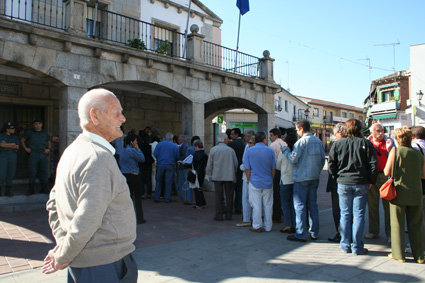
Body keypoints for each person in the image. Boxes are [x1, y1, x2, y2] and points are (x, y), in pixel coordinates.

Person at [42, 88, 138, 282]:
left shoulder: (73, 151)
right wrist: (63, 255)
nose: (123, 119)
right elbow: (87, 220)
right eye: (117, 113)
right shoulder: (98, 158)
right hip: (104, 265)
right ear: (95, 116)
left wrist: (63, 245)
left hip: (89, 263)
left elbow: (54, 203)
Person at [328, 119, 377, 255]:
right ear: (360, 129)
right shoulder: (366, 144)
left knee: (345, 214)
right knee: (359, 214)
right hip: (361, 182)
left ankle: (345, 244)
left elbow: (331, 163)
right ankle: (357, 246)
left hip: (343, 182)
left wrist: (337, 177)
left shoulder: (338, 144)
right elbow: (373, 164)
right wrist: (371, 181)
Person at [384, 126, 424, 263]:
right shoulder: (418, 153)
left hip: (399, 193)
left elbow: (386, 171)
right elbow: (423, 174)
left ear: (397, 139)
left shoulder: (395, 151)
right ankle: (419, 255)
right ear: (410, 138)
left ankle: (399, 254)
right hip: (416, 193)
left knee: (397, 224)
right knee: (417, 225)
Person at [282, 120, 325, 242]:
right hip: (314, 177)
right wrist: (317, 171)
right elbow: (322, 160)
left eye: (297, 129)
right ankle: (314, 232)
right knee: (312, 204)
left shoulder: (300, 143)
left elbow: (292, 159)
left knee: (300, 205)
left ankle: (301, 233)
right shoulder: (318, 141)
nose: (297, 132)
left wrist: (285, 151)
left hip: (301, 178)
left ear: (301, 129)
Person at [366, 123, 395, 241]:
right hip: (372, 176)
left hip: (385, 175)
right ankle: (374, 231)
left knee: (388, 206)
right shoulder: (367, 142)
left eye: (382, 130)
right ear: (372, 132)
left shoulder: (389, 142)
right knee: (372, 205)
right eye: (378, 130)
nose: (381, 133)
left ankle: (390, 233)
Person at [243, 131, 276, 232]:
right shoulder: (270, 151)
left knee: (256, 204)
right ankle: (268, 226)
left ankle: (257, 225)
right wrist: (272, 179)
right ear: (264, 139)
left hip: (254, 181)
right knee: (268, 204)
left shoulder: (249, 151)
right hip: (267, 181)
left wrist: (249, 180)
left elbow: (247, 168)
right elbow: (273, 168)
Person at [206, 133, 238, 221]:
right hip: (229, 176)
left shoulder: (213, 150)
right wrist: (233, 172)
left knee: (218, 196)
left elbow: (209, 165)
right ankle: (229, 215)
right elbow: (236, 164)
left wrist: (209, 174)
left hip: (217, 176)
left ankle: (219, 215)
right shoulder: (230, 150)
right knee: (229, 196)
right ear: (225, 140)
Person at [120, 133, 146, 224]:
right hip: (134, 175)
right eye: (135, 141)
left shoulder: (122, 151)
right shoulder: (132, 151)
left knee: (128, 197)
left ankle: (127, 217)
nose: (137, 142)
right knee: (137, 198)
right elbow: (142, 159)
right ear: (132, 142)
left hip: (125, 175)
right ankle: (139, 218)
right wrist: (137, 148)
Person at [21, 118, 51, 195]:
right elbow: (22, 140)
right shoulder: (30, 132)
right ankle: (31, 189)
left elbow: (49, 142)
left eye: (39, 123)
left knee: (43, 172)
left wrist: (48, 149)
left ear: (41, 124)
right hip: (33, 154)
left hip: (42, 154)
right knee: (32, 172)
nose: (37, 125)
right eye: (36, 124)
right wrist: (26, 148)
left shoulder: (45, 133)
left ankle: (44, 188)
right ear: (34, 125)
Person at [276, 129, 298, 234]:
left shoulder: (284, 151)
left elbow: (278, 165)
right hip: (296, 179)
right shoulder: (298, 149)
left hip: (285, 179)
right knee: (295, 204)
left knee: (286, 203)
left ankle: (289, 225)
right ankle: (297, 224)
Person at [327, 123, 344, 243]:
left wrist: (334, 175)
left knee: (338, 209)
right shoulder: (356, 142)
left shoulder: (337, 145)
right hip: (352, 182)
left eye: (334, 134)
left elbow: (331, 165)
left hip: (338, 182)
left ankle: (340, 232)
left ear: (339, 132)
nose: (333, 136)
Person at [153, 132, 179, 203]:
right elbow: (177, 156)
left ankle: (157, 197)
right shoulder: (174, 146)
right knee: (168, 182)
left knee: (158, 181)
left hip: (160, 164)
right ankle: (167, 198)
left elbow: (155, 154)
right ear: (172, 138)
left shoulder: (159, 144)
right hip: (170, 165)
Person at [236, 133, 255, 227]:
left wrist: (241, 167)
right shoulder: (248, 147)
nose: (249, 143)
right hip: (256, 178)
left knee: (247, 198)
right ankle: (253, 219)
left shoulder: (249, 149)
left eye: (251, 142)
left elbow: (246, 165)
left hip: (249, 177)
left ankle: (248, 219)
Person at [269, 128, 287, 223]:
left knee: (276, 193)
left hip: (276, 170)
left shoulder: (273, 145)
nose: (270, 137)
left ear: (276, 136)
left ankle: (276, 215)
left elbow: (271, 160)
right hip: (285, 171)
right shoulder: (285, 144)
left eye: (271, 135)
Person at [411, 126, 425, 247]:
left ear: (413, 136)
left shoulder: (415, 147)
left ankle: (418, 244)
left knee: (417, 215)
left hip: (419, 182)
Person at [0, 122, 19, 197]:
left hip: (12, 156)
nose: (13, 129)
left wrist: (6, 145)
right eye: (12, 128)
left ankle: (8, 191)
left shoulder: (14, 137)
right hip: (3, 156)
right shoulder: (1, 136)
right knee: (2, 174)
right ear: (7, 129)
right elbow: (1, 144)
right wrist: (11, 144)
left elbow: (17, 147)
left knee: (11, 174)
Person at [229, 128, 245, 214]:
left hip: (233, 169)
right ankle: (238, 207)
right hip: (242, 169)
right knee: (240, 190)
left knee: (231, 190)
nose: (231, 136)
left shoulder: (232, 144)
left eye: (232, 134)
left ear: (236, 134)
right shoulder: (244, 144)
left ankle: (230, 207)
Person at [192, 140, 208, 209]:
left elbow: (194, 164)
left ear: (197, 146)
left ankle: (199, 204)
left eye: (195, 147)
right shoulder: (205, 154)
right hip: (202, 172)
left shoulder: (196, 154)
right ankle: (202, 203)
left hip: (196, 172)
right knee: (200, 187)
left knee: (196, 188)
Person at [177, 135, 192, 204]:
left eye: (179, 139)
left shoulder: (184, 146)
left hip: (184, 167)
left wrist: (179, 158)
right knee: (184, 183)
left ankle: (186, 198)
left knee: (184, 183)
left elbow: (184, 156)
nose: (178, 141)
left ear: (182, 140)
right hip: (184, 167)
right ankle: (185, 198)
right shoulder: (184, 146)